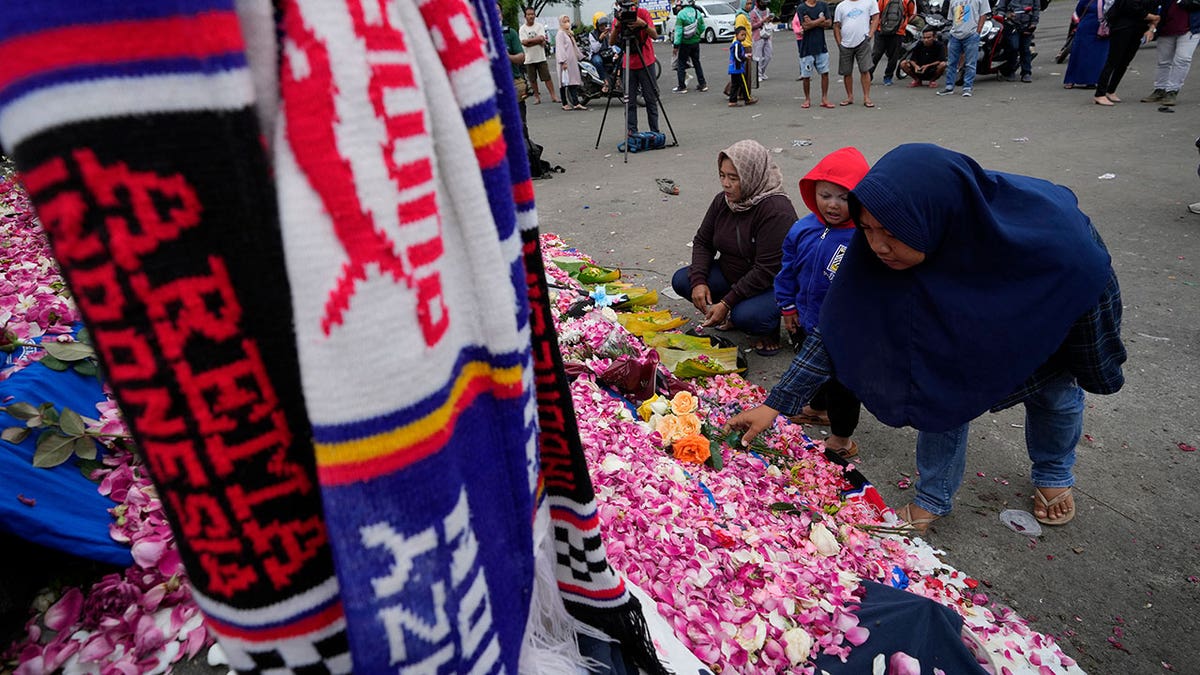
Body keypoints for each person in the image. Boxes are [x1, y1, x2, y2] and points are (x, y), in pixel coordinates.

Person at [727, 143, 1126, 534]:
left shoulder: (1060, 248)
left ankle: (1053, 470)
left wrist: (1096, 369)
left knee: (1054, 394)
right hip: (960, 322)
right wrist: (776, 404)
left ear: (933, 220)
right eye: (866, 229)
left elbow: (1092, 301)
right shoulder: (878, 250)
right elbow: (838, 327)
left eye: (891, 233)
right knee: (938, 388)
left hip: (1036, 317)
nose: (878, 247)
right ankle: (934, 497)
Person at [774, 147, 870, 459]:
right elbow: (787, 271)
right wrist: (787, 307)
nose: (833, 204)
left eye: (844, 198)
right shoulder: (802, 229)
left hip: (846, 330)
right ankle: (817, 408)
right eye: (826, 195)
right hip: (805, 318)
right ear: (813, 190)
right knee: (812, 367)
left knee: (843, 384)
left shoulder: (864, 238)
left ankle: (842, 438)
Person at [671, 140, 797, 355]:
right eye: (722, 175)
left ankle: (768, 327)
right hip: (734, 273)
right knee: (684, 280)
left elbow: (766, 271)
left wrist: (727, 303)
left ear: (752, 175)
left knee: (747, 316)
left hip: (774, 285)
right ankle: (736, 309)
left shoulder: (776, 210)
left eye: (734, 177)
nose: (725, 184)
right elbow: (703, 241)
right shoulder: (724, 201)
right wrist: (699, 281)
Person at [610, 0, 661, 137]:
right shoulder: (619, 16)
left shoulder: (643, 13)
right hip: (628, 64)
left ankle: (655, 132)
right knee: (629, 101)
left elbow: (655, 35)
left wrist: (642, 24)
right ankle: (632, 132)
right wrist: (618, 26)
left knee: (650, 99)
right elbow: (611, 41)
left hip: (646, 61)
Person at [1094, 0, 1159, 104]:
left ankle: (1111, 90)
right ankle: (1100, 94)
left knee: (1125, 61)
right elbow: (1130, 6)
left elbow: (1156, 10)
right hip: (1122, 27)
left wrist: (1152, 27)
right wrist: (1151, 17)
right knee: (1113, 60)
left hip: (1139, 29)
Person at [1140, 0, 1199, 105]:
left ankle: (1172, 91)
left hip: (1191, 28)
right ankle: (1160, 89)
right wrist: (1152, 27)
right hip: (1166, 27)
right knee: (1163, 61)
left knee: (1183, 59)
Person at [937, 0, 989, 96]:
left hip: (971, 34)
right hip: (955, 35)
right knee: (951, 63)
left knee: (970, 63)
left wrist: (978, 32)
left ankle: (967, 88)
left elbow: (984, 14)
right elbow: (953, 18)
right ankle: (949, 87)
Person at [834, 0, 881, 106]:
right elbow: (836, 25)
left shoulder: (869, 2)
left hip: (863, 41)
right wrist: (839, 43)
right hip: (845, 43)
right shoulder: (841, 6)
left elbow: (876, 17)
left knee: (865, 70)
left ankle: (866, 97)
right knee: (846, 72)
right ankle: (849, 97)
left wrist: (870, 34)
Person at [797, 0, 836, 107]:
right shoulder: (801, 8)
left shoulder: (823, 5)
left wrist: (813, 22)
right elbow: (805, 26)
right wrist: (820, 20)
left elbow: (829, 23)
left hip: (821, 46)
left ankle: (824, 98)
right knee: (806, 76)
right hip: (807, 47)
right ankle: (807, 99)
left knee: (825, 73)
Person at [1063, 0, 1110, 88]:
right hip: (1086, 30)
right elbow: (1077, 13)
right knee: (1079, 54)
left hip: (1104, 30)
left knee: (1099, 57)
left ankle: (1093, 81)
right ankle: (1071, 80)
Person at [871, 0, 917, 86]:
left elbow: (877, 13)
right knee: (892, 56)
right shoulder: (908, 1)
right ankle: (886, 77)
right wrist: (903, 24)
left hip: (883, 30)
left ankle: (871, 76)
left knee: (877, 54)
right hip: (896, 32)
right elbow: (912, 15)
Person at [520, 7, 559, 104]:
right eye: (528, 14)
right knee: (532, 80)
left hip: (541, 57)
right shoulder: (522, 29)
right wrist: (537, 40)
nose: (531, 16)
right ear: (525, 16)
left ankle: (553, 96)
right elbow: (524, 42)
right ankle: (537, 97)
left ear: (535, 15)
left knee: (547, 78)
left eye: (532, 14)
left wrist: (531, 41)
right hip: (529, 58)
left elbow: (542, 39)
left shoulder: (539, 26)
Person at [995, 0, 1040, 82]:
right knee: (1013, 47)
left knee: (1025, 49)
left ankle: (1026, 73)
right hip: (1011, 25)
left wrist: (1034, 23)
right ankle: (1011, 71)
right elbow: (1000, 9)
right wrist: (1007, 15)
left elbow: (1036, 9)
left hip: (1027, 25)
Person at [673, 0, 709, 93]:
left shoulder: (681, 14)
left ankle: (682, 87)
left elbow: (678, 31)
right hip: (695, 42)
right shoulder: (697, 13)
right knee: (697, 63)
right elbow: (702, 27)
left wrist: (676, 45)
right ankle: (703, 84)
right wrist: (696, 35)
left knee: (681, 64)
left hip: (685, 43)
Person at [556, 15, 588, 110]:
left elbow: (574, 47)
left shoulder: (569, 33)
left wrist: (581, 56)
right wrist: (563, 61)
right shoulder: (560, 34)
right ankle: (564, 103)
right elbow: (560, 48)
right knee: (564, 83)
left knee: (572, 82)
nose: (567, 23)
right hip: (565, 63)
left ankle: (576, 102)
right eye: (565, 21)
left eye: (568, 21)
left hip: (572, 61)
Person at [728, 25, 758, 104]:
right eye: (742, 35)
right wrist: (744, 58)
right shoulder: (737, 44)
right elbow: (737, 56)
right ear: (736, 35)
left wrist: (745, 55)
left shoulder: (738, 44)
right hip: (737, 68)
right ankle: (747, 99)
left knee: (735, 85)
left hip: (733, 68)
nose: (744, 36)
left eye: (745, 35)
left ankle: (732, 101)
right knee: (743, 84)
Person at [751, 0, 776, 80]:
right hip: (757, 36)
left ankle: (762, 71)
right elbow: (751, 26)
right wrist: (762, 21)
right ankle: (757, 74)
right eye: (763, 2)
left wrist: (769, 20)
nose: (764, 4)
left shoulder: (767, 10)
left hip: (767, 35)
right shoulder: (753, 12)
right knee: (757, 57)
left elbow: (768, 22)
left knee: (768, 56)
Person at [589, 15, 613, 87]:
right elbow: (595, 49)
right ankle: (604, 80)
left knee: (619, 60)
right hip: (597, 54)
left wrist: (615, 52)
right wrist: (600, 39)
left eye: (604, 24)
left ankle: (617, 79)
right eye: (601, 25)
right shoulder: (592, 34)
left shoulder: (609, 32)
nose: (603, 27)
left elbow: (612, 45)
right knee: (598, 61)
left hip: (607, 53)